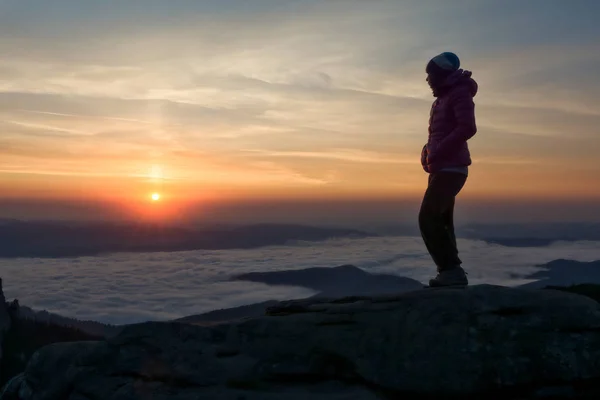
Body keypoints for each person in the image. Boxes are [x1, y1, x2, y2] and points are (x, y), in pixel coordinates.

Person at [420, 52, 478, 287]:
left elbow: (467, 128)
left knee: (428, 217)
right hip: (441, 168)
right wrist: (427, 152)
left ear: (441, 75)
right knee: (442, 221)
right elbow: (438, 134)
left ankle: (452, 271)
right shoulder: (441, 100)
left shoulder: (459, 94)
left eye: (430, 75)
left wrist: (440, 151)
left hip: (452, 169)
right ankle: (450, 274)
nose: (427, 80)